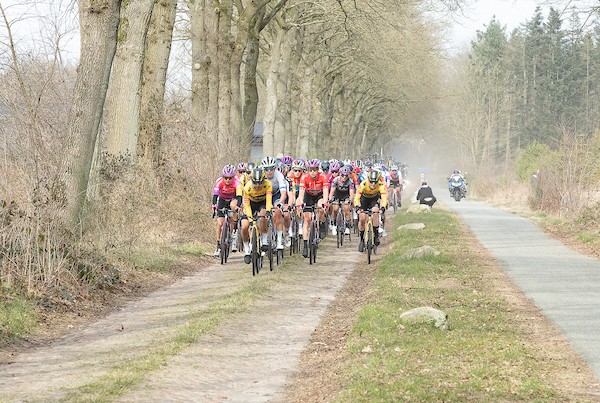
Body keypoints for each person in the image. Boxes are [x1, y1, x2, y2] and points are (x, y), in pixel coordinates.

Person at [296, 159, 329, 258]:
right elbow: (301, 193)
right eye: (311, 170)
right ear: (308, 170)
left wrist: (325, 203)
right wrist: (301, 203)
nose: (313, 172)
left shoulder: (323, 176)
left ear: (317, 170)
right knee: (307, 219)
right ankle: (305, 246)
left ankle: (322, 224)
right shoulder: (304, 177)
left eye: (315, 170)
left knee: (320, 207)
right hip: (308, 196)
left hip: (319, 195)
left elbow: (326, 192)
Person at [240, 167, 273, 264]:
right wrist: (250, 220)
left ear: (264, 180)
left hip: (262, 203)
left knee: (263, 215)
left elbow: (268, 200)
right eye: (255, 183)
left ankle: (264, 240)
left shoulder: (268, 185)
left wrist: (268, 211)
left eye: (260, 183)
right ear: (251, 181)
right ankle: (246, 250)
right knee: (245, 226)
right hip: (250, 204)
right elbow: (246, 205)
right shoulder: (247, 188)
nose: (258, 185)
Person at [211, 164, 243, 256]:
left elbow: (239, 196)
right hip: (222, 200)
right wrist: (214, 205)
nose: (228, 180)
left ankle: (233, 237)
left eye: (230, 178)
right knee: (220, 224)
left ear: (233, 177)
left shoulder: (237, 183)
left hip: (233, 200)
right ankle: (218, 245)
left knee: (233, 216)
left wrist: (237, 206)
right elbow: (215, 196)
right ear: (223, 177)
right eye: (226, 178)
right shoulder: (219, 182)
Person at [354, 169, 387, 252]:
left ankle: (376, 235)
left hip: (374, 200)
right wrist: (357, 207)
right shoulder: (363, 184)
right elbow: (357, 198)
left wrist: (383, 207)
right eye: (371, 182)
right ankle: (361, 240)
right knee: (362, 218)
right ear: (368, 180)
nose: (373, 184)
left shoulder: (380, 185)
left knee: (375, 211)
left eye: (375, 182)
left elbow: (384, 198)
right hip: (364, 200)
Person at [261, 156, 289, 250]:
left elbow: (283, 194)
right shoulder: (260, 175)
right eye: (266, 169)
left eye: (271, 168)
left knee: (277, 213)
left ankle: (279, 240)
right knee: (263, 214)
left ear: (275, 168)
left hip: (276, 195)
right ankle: (264, 238)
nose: (269, 171)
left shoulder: (279, 175)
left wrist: (280, 203)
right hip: (264, 195)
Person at [329, 165, 355, 235]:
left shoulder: (350, 182)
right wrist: (330, 200)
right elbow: (331, 192)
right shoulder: (335, 180)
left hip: (346, 195)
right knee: (335, 208)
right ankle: (334, 224)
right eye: (343, 175)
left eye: (346, 176)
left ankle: (347, 226)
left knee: (346, 208)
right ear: (340, 174)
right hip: (337, 195)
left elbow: (351, 193)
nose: (344, 177)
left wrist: (350, 200)